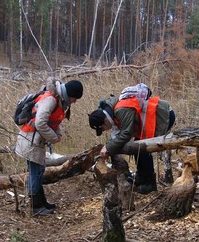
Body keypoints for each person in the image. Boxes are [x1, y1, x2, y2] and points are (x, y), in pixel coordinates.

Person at [88, 86, 175, 194]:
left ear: (105, 121)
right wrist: (108, 146)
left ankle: (150, 183)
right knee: (137, 145)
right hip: (155, 116)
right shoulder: (112, 112)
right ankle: (141, 177)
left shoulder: (120, 110)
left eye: (103, 128)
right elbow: (116, 135)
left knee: (143, 148)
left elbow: (126, 133)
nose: (105, 130)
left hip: (163, 115)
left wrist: (109, 147)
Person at [15, 78, 83, 215]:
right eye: (75, 98)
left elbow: (53, 122)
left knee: (39, 171)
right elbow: (40, 122)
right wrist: (53, 137)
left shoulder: (58, 101)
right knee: (35, 172)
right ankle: (35, 207)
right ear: (69, 95)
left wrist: (58, 134)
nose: (75, 102)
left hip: (35, 140)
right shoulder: (51, 100)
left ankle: (41, 202)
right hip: (30, 140)